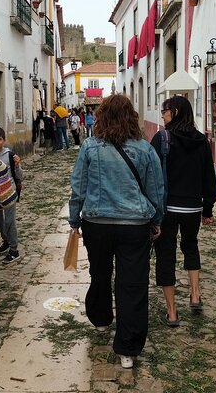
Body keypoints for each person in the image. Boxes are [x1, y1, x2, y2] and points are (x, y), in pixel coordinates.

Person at [68, 94, 164, 369]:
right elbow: (156, 189)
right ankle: (127, 349)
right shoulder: (144, 149)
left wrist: (74, 219)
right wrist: (156, 220)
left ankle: (100, 319)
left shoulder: (90, 147)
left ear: (101, 117)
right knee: (132, 284)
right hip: (134, 225)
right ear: (131, 118)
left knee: (99, 273)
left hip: (97, 224)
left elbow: (79, 186)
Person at [150, 96, 216, 327]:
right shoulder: (201, 140)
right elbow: (208, 176)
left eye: (165, 111)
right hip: (192, 208)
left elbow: (151, 175)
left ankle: (172, 312)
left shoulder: (162, 138)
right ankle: (195, 295)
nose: (163, 115)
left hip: (167, 208)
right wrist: (207, 209)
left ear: (176, 112)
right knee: (190, 245)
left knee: (165, 254)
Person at [0, 126, 23, 264]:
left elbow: (19, 176)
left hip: (9, 192)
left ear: (4, 140)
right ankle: (6, 240)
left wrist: (17, 165)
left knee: (10, 221)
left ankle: (14, 250)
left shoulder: (10, 155)